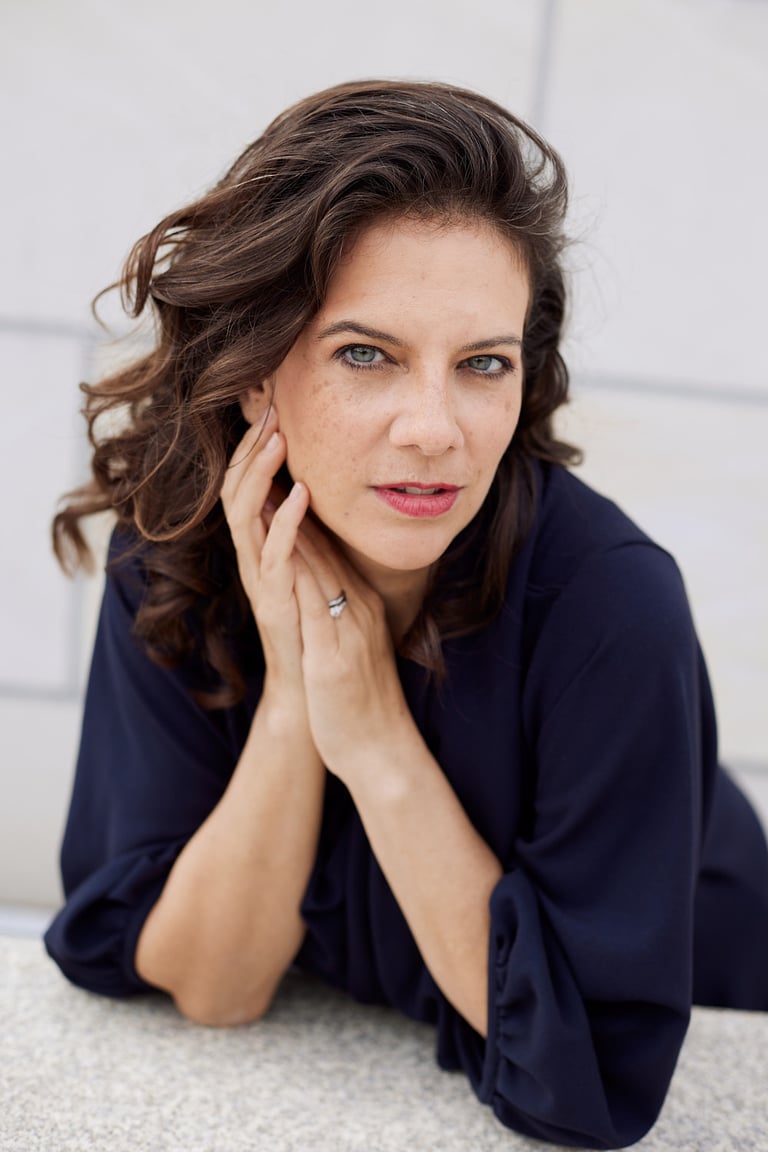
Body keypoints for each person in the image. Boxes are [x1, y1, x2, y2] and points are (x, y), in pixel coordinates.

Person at [45, 79, 768, 1149]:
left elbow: (583, 1081)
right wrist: (298, 697)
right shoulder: (175, 556)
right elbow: (214, 986)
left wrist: (376, 736)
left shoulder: (613, 608)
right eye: (366, 354)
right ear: (257, 375)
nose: (434, 429)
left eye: (483, 364)